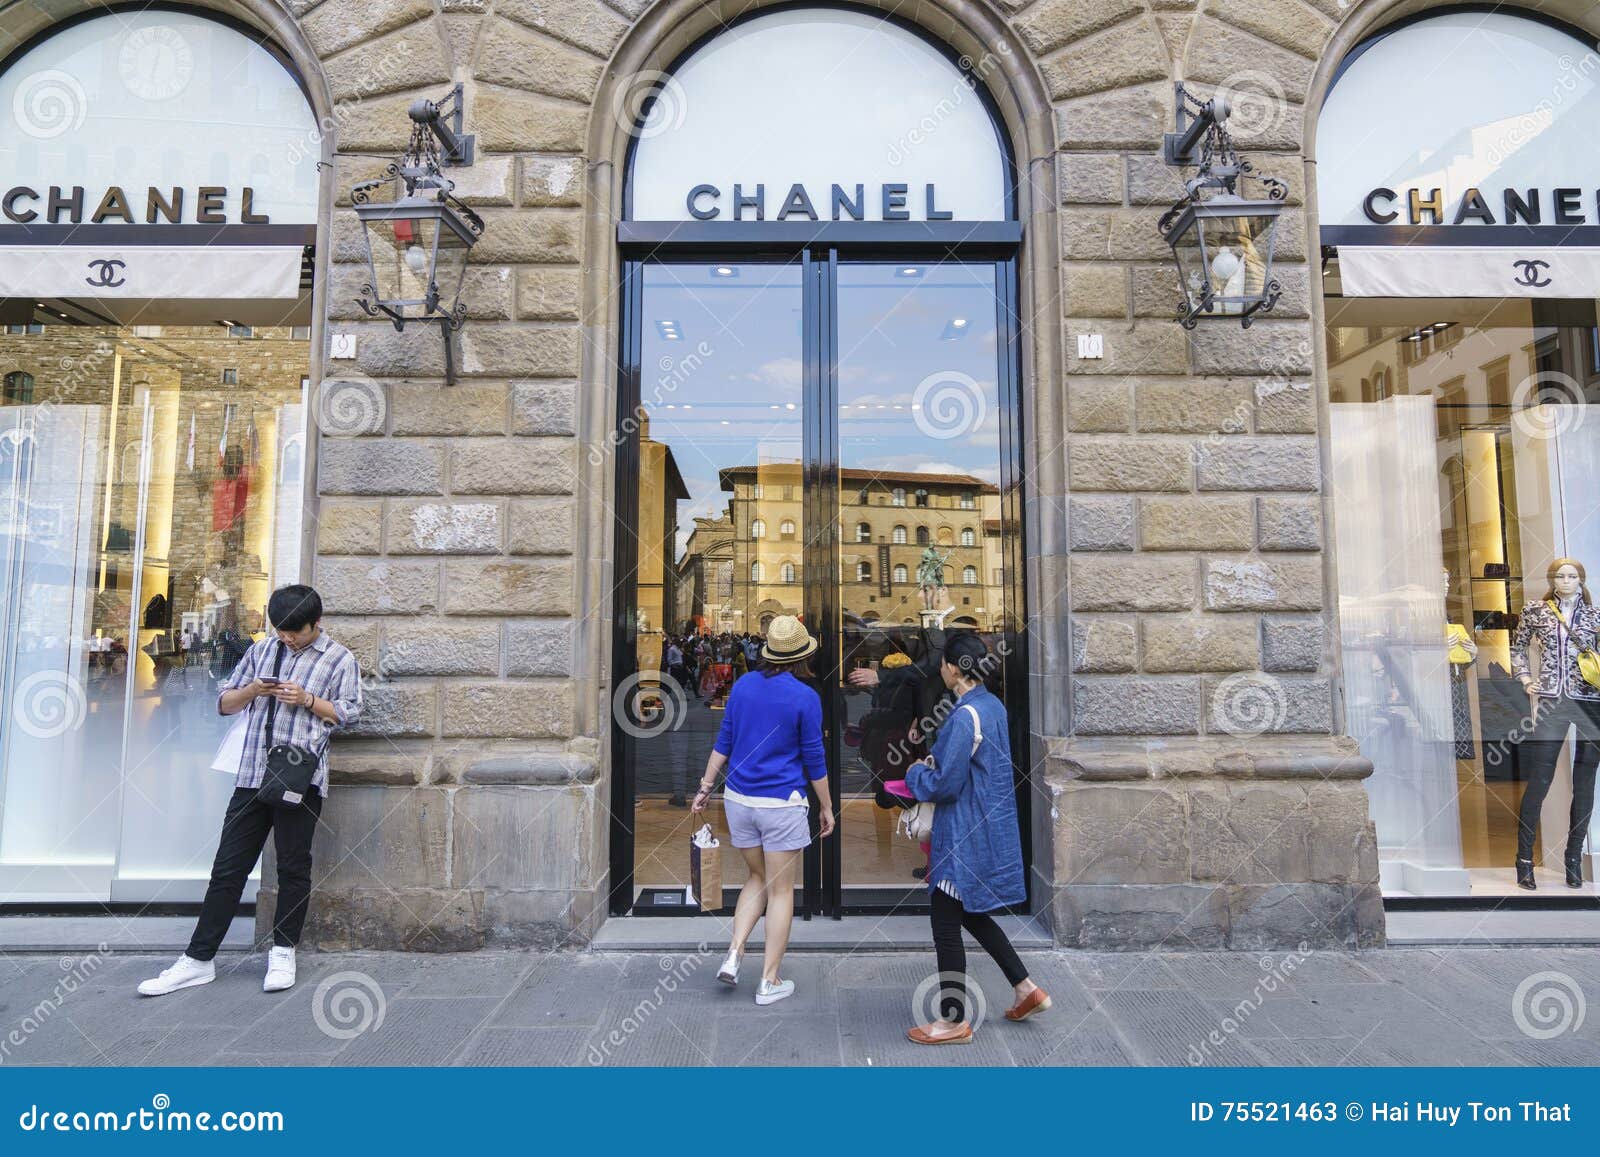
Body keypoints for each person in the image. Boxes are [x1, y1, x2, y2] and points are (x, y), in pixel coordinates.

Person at [137, 584, 363, 997]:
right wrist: (253, 690)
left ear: (317, 624)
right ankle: (198, 959)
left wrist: (308, 699)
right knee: (228, 869)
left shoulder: (339, 659)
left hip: (298, 776)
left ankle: (283, 951)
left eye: (295, 631)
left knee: (293, 868)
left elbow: (349, 713)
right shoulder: (262, 650)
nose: (287, 638)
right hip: (252, 774)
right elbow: (225, 704)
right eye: (281, 630)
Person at [904, 633, 1047, 1045]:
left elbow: (945, 785)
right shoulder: (992, 706)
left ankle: (952, 1021)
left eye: (944, 664)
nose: (941, 670)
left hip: (962, 833)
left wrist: (916, 773)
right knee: (971, 914)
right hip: (988, 826)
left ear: (952, 667)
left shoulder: (965, 716)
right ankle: (1025, 989)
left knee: (945, 924)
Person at [692, 615, 834, 1006]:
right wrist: (826, 806)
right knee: (782, 890)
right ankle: (768, 981)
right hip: (780, 804)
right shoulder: (806, 697)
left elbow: (725, 740)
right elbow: (814, 759)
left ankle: (735, 954)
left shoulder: (743, 686)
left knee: (756, 877)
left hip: (739, 801)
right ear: (802, 656)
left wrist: (705, 787)